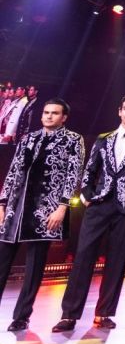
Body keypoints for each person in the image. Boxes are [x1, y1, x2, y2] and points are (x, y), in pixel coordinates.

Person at [52, 94, 125, 332]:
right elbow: (90, 169)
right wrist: (87, 196)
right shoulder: (103, 138)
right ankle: (69, 315)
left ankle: (104, 313)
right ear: (119, 111)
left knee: (117, 261)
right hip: (98, 204)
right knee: (83, 258)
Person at [0, 98, 84, 330]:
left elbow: (73, 175)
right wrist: (2, 203)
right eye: (46, 112)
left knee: (34, 266)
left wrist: (62, 207)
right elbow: (13, 171)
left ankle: (21, 316)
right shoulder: (28, 138)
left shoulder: (73, 140)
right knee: (2, 260)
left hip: (45, 211)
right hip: (15, 209)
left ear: (63, 117)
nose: (49, 116)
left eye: (54, 113)